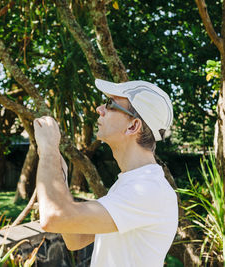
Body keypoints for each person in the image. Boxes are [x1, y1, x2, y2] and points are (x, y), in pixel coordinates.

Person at [34, 78, 178, 267]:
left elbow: (53, 218)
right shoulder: (129, 184)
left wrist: (49, 149)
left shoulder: (148, 189)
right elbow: (76, 239)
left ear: (133, 126)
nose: (99, 109)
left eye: (111, 104)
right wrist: (60, 174)